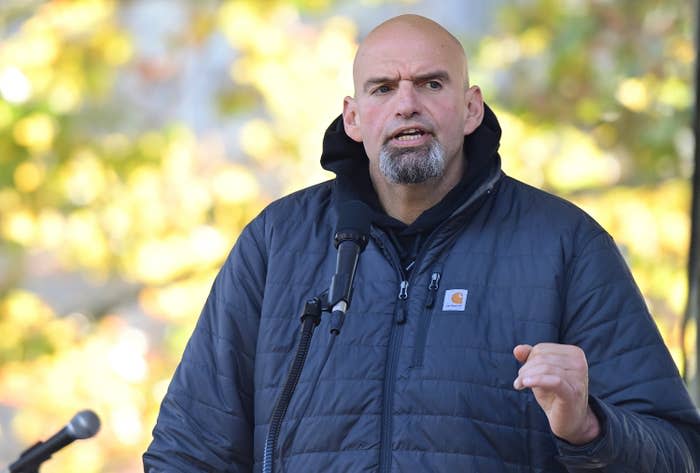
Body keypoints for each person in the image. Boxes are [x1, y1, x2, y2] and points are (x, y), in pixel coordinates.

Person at [143, 14, 700, 472]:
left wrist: (589, 428)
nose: (406, 104)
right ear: (354, 117)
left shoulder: (565, 244)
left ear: (471, 108)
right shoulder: (276, 243)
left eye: (431, 83)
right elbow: (187, 453)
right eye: (383, 88)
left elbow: (679, 454)